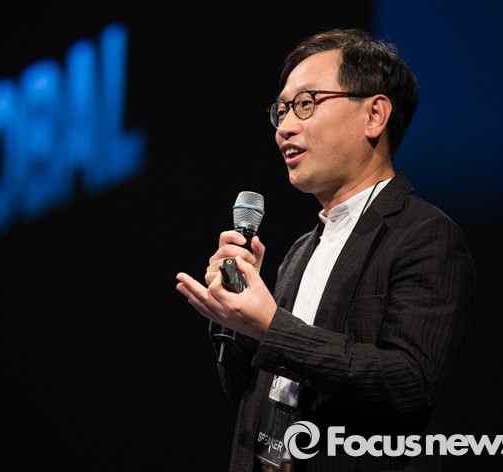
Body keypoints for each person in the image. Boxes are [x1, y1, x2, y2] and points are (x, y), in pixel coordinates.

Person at [175, 27, 476, 472]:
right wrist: (235, 318)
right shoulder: (300, 250)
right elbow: (252, 396)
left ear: (374, 115)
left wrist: (271, 325)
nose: (285, 127)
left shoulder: (425, 234)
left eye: (306, 103)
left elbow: (410, 383)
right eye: (281, 111)